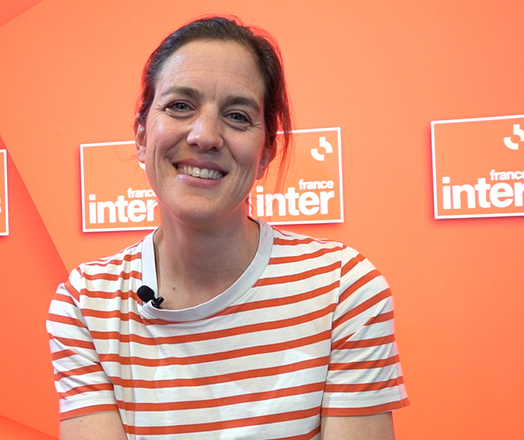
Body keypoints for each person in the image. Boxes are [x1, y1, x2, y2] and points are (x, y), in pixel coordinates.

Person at [48, 16, 408, 440]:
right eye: (180, 106)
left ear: (266, 153)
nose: (205, 136)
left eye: (237, 116)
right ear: (142, 135)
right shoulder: (86, 303)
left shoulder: (344, 289)